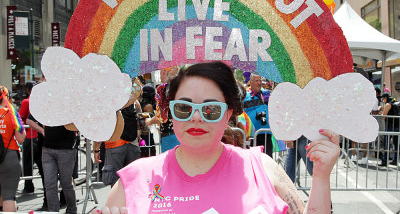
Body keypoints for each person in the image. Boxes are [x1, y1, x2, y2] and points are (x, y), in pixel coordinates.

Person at [96, 62, 340, 213]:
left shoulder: (261, 168)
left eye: (211, 110)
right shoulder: (135, 179)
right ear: (171, 112)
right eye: (184, 108)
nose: (196, 118)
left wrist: (321, 177)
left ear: (228, 115)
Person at [32, 114, 77, 213]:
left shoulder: (69, 106)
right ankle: (53, 211)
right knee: (50, 184)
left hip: (65, 148)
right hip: (47, 148)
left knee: (66, 183)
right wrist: (42, 130)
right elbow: (30, 119)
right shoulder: (48, 105)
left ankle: (72, 209)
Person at [93, 100, 142, 187]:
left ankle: (118, 200)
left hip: (114, 146)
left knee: (115, 184)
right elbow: (140, 121)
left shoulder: (108, 101)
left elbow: (101, 128)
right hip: (133, 145)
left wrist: (96, 149)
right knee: (132, 183)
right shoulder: (134, 101)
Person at [0, 86, 26, 212]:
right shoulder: (12, 114)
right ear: (7, 98)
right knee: (8, 195)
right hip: (9, 157)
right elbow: (21, 138)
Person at [243, 74, 273, 156]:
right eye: (256, 81)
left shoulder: (266, 95)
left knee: (267, 161)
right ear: (251, 82)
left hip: (266, 135)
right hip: (251, 136)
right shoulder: (245, 96)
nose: (259, 83)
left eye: (260, 80)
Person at [18, 81, 38, 193]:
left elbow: (20, 118)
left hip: (30, 136)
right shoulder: (41, 101)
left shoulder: (26, 101)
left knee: (28, 163)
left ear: (27, 90)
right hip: (40, 136)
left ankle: (28, 185)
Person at [379, 93, 399, 166]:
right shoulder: (396, 103)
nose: (382, 100)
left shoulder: (388, 104)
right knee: (396, 144)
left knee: (386, 143)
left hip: (390, 126)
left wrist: (380, 111)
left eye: (383, 98)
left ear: (385, 98)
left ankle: (384, 160)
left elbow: (383, 116)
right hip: (397, 126)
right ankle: (395, 160)